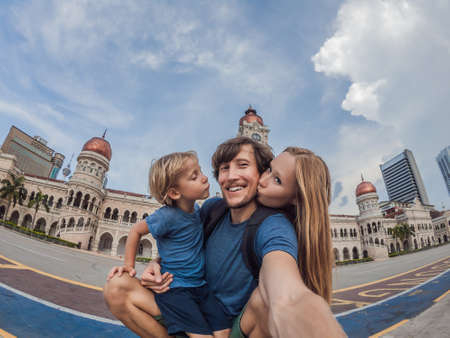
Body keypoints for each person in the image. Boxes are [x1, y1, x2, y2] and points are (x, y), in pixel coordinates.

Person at [104, 137, 345, 337]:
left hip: (232, 327)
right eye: (224, 168)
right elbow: (183, 242)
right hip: (195, 304)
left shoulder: (274, 227)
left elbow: (286, 288)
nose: (230, 176)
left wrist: (298, 309)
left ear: (257, 173)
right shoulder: (212, 209)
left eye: (242, 165)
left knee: (265, 300)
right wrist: (155, 266)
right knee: (117, 288)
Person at [106, 151, 231, 337]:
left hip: (199, 286)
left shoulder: (196, 210)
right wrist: (128, 266)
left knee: (224, 331)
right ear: (174, 192)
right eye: (194, 176)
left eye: (201, 171)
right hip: (176, 290)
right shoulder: (166, 216)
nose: (204, 178)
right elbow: (136, 230)